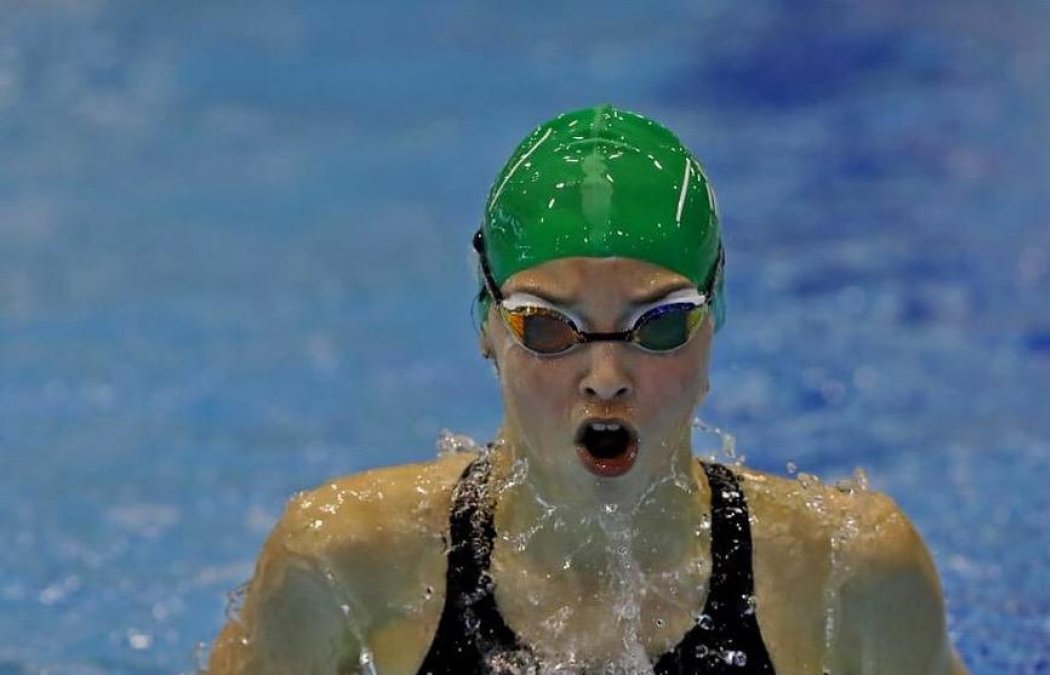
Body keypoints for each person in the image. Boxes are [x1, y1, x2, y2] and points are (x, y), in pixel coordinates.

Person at [207, 105, 968, 674]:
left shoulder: (849, 577)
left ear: (717, 312)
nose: (606, 378)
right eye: (547, 327)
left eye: (660, 323)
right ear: (487, 320)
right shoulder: (342, 567)